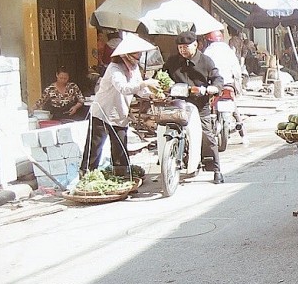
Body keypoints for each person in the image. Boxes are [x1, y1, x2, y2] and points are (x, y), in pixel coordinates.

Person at [81, 34, 158, 177]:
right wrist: (145, 83)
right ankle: (86, 177)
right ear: (127, 54)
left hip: (120, 114)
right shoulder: (114, 68)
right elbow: (124, 88)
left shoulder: (134, 68)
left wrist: (152, 94)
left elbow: (140, 90)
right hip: (102, 113)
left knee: (120, 149)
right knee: (94, 150)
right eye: (136, 53)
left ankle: (123, 177)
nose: (139, 55)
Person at [164, 31, 225, 184]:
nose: (182, 50)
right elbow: (161, 75)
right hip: (178, 103)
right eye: (180, 47)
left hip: (200, 104)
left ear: (195, 45)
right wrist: (161, 85)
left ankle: (216, 168)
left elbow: (217, 79)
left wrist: (212, 88)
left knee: (207, 134)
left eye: (186, 47)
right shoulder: (173, 62)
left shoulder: (206, 61)